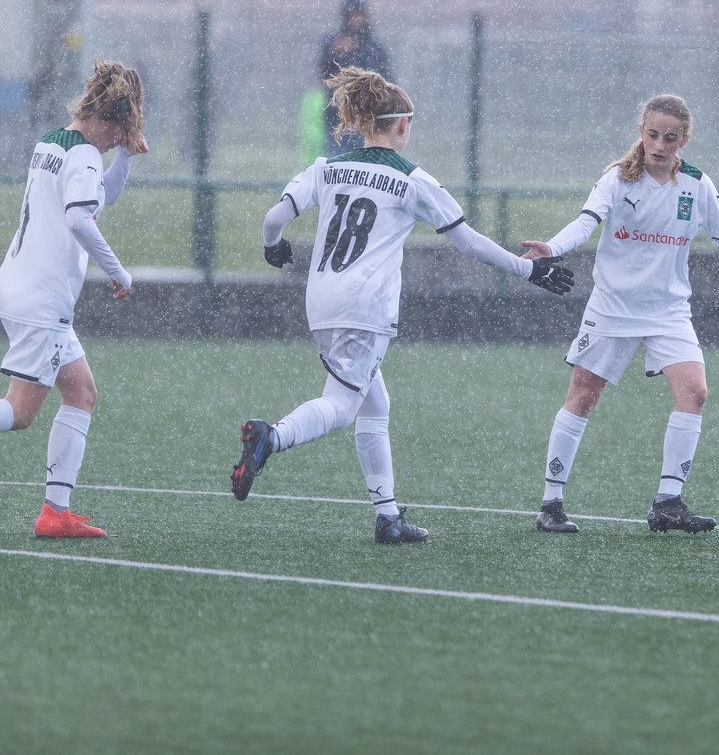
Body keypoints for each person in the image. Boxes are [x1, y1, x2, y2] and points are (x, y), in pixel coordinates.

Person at [230, 66, 573, 544]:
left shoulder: (326, 168)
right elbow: (469, 242)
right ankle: (273, 436)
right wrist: (529, 269)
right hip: (365, 307)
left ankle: (387, 516)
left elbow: (273, 219)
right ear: (403, 125)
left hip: (322, 299)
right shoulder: (413, 180)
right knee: (341, 405)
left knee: (375, 402)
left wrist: (275, 247)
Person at [520, 94, 719, 535]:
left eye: (670, 137)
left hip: (669, 311)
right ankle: (551, 503)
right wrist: (552, 248)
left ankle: (668, 503)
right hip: (612, 308)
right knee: (582, 397)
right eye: (652, 134)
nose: (659, 144)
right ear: (642, 132)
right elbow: (585, 222)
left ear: (684, 139)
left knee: (695, 392)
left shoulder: (696, 185)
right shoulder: (617, 179)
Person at [0, 59, 146, 538]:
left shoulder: (51, 142)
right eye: (117, 135)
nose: (111, 145)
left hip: (22, 290)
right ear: (108, 120)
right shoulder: (84, 154)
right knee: (19, 414)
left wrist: (124, 156)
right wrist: (120, 271)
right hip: (43, 302)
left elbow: (96, 200)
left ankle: (54, 513)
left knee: (81, 392)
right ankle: (54, 513)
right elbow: (81, 219)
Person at [318, 0, 393, 156]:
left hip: (368, 119)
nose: (356, 19)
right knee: (337, 162)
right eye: (352, 15)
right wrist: (334, 54)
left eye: (359, 15)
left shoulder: (375, 48)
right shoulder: (333, 43)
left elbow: (385, 80)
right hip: (338, 118)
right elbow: (325, 76)